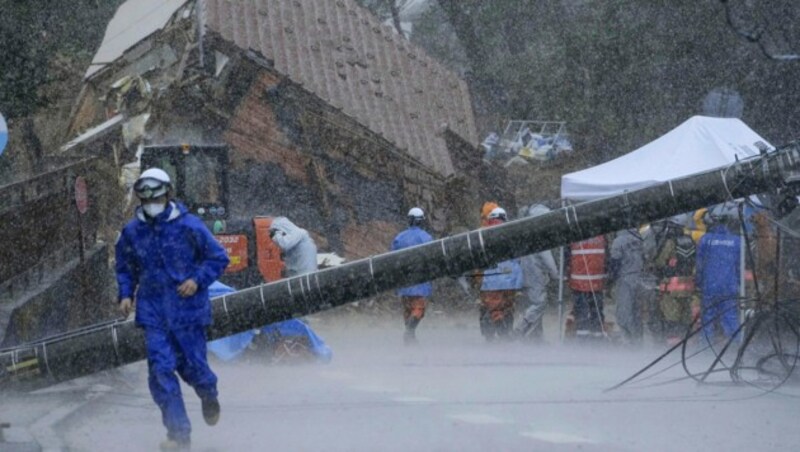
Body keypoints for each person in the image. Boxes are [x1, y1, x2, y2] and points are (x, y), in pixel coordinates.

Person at [115, 168, 230, 451]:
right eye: (145, 198)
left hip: (188, 312)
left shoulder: (190, 226)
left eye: (156, 196)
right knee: (160, 371)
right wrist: (126, 294)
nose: (151, 203)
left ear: (168, 193)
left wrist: (196, 280)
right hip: (153, 313)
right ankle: (179, 436)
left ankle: (208, 393)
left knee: (194, 368)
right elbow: (125, 267)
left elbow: (218, 258)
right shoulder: (132, 232)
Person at [696, 205, 741, 343]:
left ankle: (705, 351)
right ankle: (737, 347)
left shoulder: (705, 239)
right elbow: (739, 266)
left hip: (710, 286)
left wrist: (699, 282)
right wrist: (738, 283)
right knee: (731, 318)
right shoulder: (737, 241)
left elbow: (699, 265)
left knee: (708, 319)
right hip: (729, 286)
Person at [479, 207, 523, 341]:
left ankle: (497, 333)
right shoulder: (512, 233)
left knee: (494, 309)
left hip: (491, 282)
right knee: (508, 307)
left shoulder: (482, 235)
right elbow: (517, 258)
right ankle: (506, 332)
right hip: (510, 280)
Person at [391, 207, 434, 345]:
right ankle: (410, 331)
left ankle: (410, 336)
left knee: (407, 309)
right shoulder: (426, 237)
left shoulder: (399, 238)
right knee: (418, 309)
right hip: (420, 281)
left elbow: (391, 258)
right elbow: (432, 258)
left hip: (403, 281)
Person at [516, 204, 559, 342]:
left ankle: (536, 337)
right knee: (539, 304)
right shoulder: (540, 237)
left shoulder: (524, 234)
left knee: (530, 304)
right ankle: (521, 328)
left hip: (524, 276)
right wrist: (556, 275)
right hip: (536, 277)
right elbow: (548, 260)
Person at [609, 227, 657, 345]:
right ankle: (638, 339)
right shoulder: (639, 239)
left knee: (624, 312)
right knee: (636, 311)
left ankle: (628, 340)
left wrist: (610, 281)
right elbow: (648, 256)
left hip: (625, 279)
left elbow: (615, 263)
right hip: (640, 279)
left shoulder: (619, 241)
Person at [653, 220, 698, 346]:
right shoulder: (690, 241)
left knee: (672, 319)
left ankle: (673, 348)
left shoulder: (671, 242)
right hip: (688, 288)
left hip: (672, 290)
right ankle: (687, 345)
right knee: (686, 319)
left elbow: (660, 261)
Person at [568, 235, 607, 341]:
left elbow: (567, 258)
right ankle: (597, 341)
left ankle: (582, 342)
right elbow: (606, 259)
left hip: (578, 282)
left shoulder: (573, 235)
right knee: (597, 313)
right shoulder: (601, 237)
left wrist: (567, 277)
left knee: (581, 314)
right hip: (596, 283)